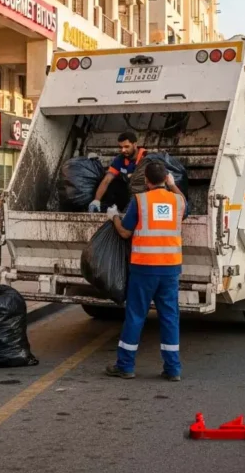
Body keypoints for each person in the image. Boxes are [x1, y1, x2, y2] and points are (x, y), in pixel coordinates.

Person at [105, 160, 186, 381]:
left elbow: (124, 233)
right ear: (166, 179)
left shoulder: (140, 201)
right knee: (170, 318)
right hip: (170, 269)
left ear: (146, 180)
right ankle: (173, 369)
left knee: (136, 316)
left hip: (144, 268)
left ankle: (126, 366)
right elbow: (183, 201)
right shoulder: (178, 201)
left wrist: (113, 217)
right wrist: (172, 185)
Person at [89, 131, 146, 212]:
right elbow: (107, 180)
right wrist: (96, 200)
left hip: (142, 195)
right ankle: (107, 209)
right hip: (126, 194)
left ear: (135, 145)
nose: (123, 150)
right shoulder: (120, 158)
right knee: (110, 182)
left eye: (126, 147)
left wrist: (130, 176)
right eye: (121, 147)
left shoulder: (146, 157)